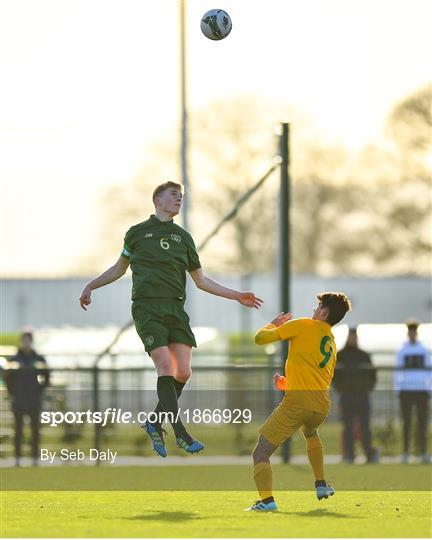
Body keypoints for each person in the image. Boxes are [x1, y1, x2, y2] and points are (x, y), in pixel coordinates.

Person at [79, 181, 263, 456]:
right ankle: (180, 433)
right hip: (147, 309)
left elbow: (201, 281)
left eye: (181, 196)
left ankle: (153, 422)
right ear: (157, 201)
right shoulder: (137, 233)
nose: (179, 199)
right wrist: (91, 285)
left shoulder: (183, 238)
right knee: (165, 366)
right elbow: (119, 268)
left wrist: (236, 295)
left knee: (183, 372)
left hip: (175, 310)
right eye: (173, 195)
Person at [245, 292, 351, 512]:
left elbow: (260, 339)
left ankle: (267, 502)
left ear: (323, 311)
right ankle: (321, 484)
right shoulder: (331, 342)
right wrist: (286, 384)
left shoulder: (303, 325)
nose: (314, 310)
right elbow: (317, 377)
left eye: (317, 306)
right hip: (320, 406)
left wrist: (272, 325)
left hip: (298, 403)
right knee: (310, 432)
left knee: (260, 452)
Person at [333, 327, 379, 463]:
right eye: (351, 336)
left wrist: (368, 387)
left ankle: (368, 454)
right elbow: (334, 375)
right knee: (348, 426)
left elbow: (373, 374)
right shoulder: (340, 355)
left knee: (365, 426)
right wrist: (340, 388)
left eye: (354, 336)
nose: (352, 339)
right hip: (347, 395)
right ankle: (349, 455)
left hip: (362, 395)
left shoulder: (364, 355)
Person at [4, 331, 50, 467]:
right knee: (18, 431)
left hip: (34, 400)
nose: (26, 343)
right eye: (24, 340)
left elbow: (47, 377)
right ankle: (17, 458)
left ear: (31, 341)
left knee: (35, 430)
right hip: (18, 400)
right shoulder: (14, 359)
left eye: (28, 340)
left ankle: (35, 458)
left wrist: (38, 390)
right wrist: (13, 392)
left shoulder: (39, 359)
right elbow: (7, 378)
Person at [394, 319, 431, 463]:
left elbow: (429, 370)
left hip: (421, 390)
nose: (412, 334)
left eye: (414, 331)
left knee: (422, 424)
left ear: (417, 333)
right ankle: (405, 453)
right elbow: (397, 372)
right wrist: (398, 389)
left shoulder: (423, 350)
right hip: (406, 391)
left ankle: (423, 453)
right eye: (410, 331)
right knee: (407, 423)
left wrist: (429, 388)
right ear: (408, 333)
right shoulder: (402, 351)